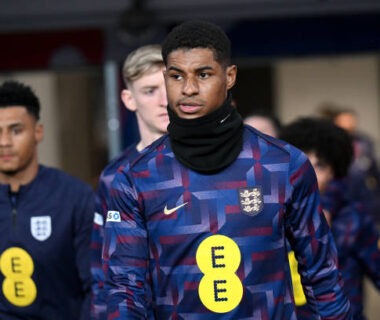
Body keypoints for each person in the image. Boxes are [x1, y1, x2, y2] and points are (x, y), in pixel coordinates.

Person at [103, 21, 351, 319]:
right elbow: (124, 290)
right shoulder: (135, 178)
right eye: (176, 76)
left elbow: (321, 274)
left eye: (203, 74)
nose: (189, 88)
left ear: (229, 76)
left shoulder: (283, 164)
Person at [0, 80, 95, 319]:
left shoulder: (75, 197)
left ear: (38, 132)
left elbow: (97, 287)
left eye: (16, 130)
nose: (4, 142)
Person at [91, 44, 168, 319]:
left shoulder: (203, 163)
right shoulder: (114, 177)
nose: (165, 100)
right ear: (128, 98)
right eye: (150, 91)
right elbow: (103, 270)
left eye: (169, 85)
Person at [280, 117, 380, 320]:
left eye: (320, 166)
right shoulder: (274, 216)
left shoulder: (353, 219)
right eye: (304, 164)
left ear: (335, 170)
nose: (309, 174)